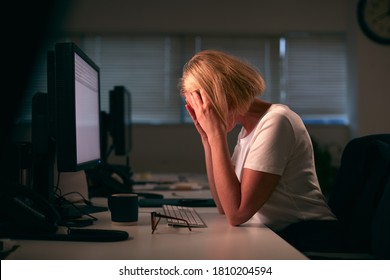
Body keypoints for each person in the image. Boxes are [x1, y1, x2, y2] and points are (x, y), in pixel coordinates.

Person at [179, 49, 336, 234]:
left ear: (222, 95)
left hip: (309, 234)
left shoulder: (277, 121)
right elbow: (223, 205)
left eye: (202, 106)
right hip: (279, 234)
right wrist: (207, 139)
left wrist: (216, 135)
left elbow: (236, 213)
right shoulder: (247, 130)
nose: (202, 114)